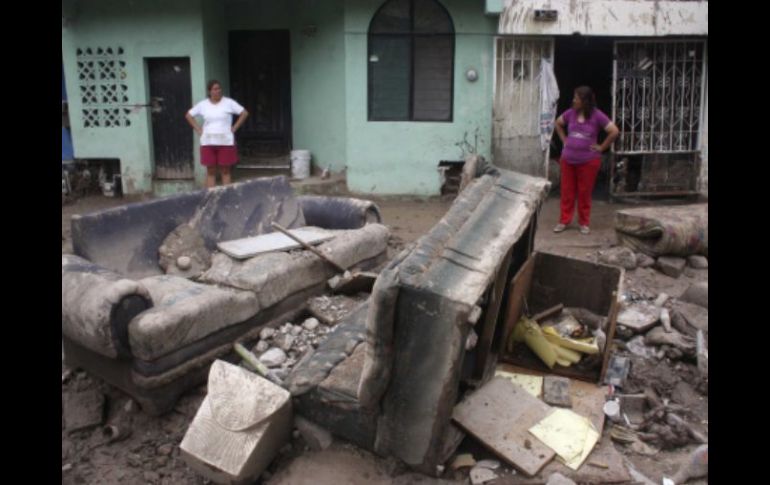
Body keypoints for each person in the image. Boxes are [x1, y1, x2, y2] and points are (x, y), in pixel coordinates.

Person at [553, 86, 619, 235]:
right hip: (568, 160)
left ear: (584, 101)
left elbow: (614, 131)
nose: (573, 100)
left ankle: (584, 223)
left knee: (584, 192)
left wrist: (602, 147)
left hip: (588, 162)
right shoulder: (570, 113)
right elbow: (558, 123)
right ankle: (564, 221)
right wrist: (564, 140)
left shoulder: (597, 116)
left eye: (576, 98)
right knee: (567, 192)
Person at [185, 80, 249, 188]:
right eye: (214, 89)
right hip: (208, 142)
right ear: (209, 91)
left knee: (225, 171)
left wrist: (234, 128)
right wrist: (199, 130)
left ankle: (226, 197)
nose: (218, 91)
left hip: (226, 142)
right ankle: (211, 198)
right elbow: (188, 115)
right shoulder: (203, 104)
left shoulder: (229, 103)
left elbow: (244, 113)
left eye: (219, 88)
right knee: (210, 171)